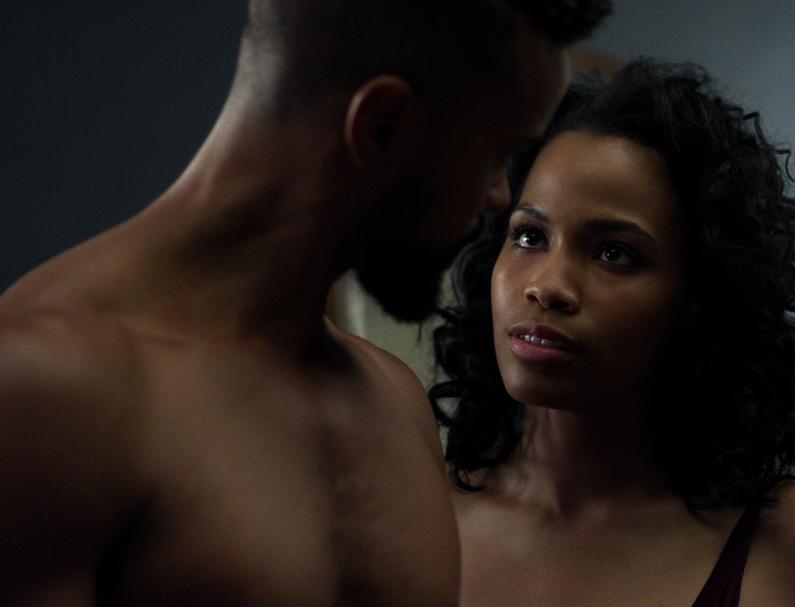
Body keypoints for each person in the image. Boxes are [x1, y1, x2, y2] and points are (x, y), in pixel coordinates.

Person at [0, 1, 610, 605]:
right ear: (380, 125)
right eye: (495, 157)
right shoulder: (47, 390)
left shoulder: (394, 401)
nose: (499, 197)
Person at [429, 60, 795, 606]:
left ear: (699, 298)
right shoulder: (424, 522)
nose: (548, 286)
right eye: (529, 237)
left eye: (614, 253)